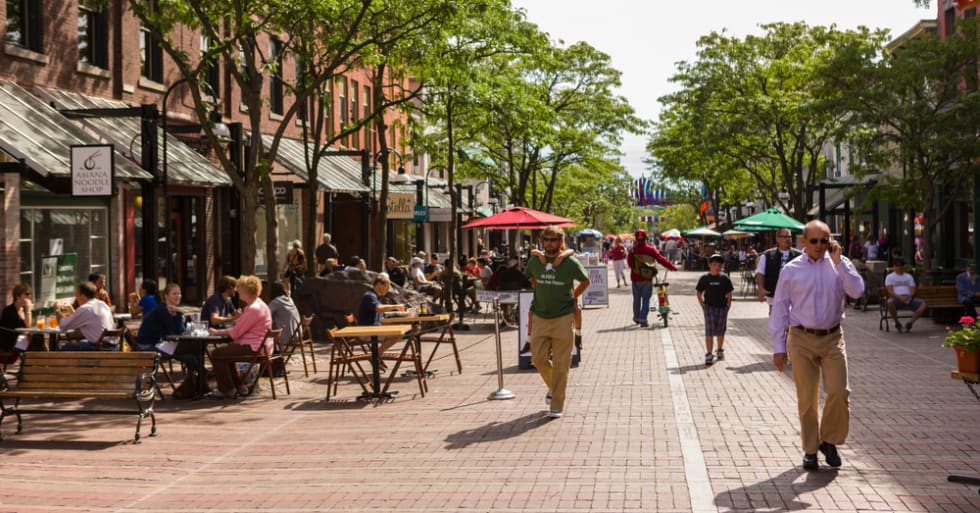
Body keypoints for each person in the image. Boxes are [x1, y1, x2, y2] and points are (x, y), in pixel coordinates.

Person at [770, 220, 864, 471]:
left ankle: (829, 439)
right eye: (814, 241)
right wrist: (778, 347)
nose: (820, 246)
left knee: (839, 392)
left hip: (833, 337)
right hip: (801, 339)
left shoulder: (838, 264)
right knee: (807, 398)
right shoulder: (791, 270)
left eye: (825, 240)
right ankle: (811, 450)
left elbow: (857, 291)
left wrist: (840, 262)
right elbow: (779, 308)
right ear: (804, 242)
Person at [524, 225, 590, 419]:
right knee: (538, 358)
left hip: (563, 317)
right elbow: (530, 277)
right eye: (547, 239)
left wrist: (573, 297)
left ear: (561, 242)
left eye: (554, 240)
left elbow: (585, 281)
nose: (550, 243)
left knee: (562, 363)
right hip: (540, 316)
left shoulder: (570, 262)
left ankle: (557, 404)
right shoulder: (535, 261)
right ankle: (554, 388)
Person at [208, 275, 273, 399]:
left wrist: (216, 332)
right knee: (226, 353)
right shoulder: (260, 304)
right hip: (260, 347)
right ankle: (238, 386)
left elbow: (236, 332)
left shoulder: (253, 309)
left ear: (247, 291)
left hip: (253, 349)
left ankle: (227, 389)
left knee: (216, 354)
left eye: (240, 288)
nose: (237, 290)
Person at [135, 283, 205, 396]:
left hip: (160, 343)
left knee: (192, 355)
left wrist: (178, 314)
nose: (178, 296)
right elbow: (178, 332)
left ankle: (195, 386)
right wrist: (178, 314)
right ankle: (199, 383)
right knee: (193, 350)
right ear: (166, 296)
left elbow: (179, 331)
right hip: (149, 346)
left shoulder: (169, 309)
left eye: (179, 293)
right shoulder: (162, 310)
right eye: (174, 294)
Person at [627, 229, 677, 327]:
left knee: (636, 299)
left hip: (635, 278)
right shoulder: (651, 249)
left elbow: (629, 264)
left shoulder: (632, 250)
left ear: (636, 239)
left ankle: (636, 317)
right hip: (647, 278)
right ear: (646, 238)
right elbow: (661, 259)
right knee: (646, 299)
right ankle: (643, 319)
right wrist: (671, 267)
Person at [696, 254, 734, 366]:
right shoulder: (704, 278)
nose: (717, 267)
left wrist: (728, 306)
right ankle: (708, 354)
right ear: (710, 265)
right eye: (714, 265)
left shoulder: (724, 278)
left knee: (720, 330)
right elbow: (699, 292)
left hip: (722, 307)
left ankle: (720, 349)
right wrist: (703, 305)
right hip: (709, 307)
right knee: (709, 330)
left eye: (719, 265)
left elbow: (729, 293)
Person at [56, 281, 115, 350]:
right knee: (81, 342)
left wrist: (58, 310)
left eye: (77, 295)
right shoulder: (102, 304)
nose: (76, 298)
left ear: (83, 296)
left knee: (61, 347)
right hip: (111, 345)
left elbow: (63, 326)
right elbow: (79, 318)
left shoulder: (85, 309)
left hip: (99, 347)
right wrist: (69, 309)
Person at [755, 228, 803, 312]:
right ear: (777, 238)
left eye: (789, 236)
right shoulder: (767, 255)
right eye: (784, 237)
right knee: (776, 319)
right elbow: (760, 272)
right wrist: (761, 288)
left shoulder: (799, 255)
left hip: (794, 295)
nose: (787, 239)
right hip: (774, 293)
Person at [357, 274, 406, 354]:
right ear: (379, 284)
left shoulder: (375, 296)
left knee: (398, 330)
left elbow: (381, 311)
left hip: (374, 328)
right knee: (397, 334)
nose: (387, 290)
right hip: (367, 331)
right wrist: (396, 306)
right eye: (386, 287)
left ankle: (377, 354)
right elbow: (379, 308)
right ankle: (375, 355)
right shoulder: (369, 296)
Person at [884, 257, 926, 333]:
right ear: (894, 267)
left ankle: (911, 323)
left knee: (923, 304)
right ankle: (896, 322)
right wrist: (899, 297)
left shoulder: (908, 277)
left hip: (908, 298)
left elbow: (913, 289)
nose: (900, 267)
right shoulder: (889, 277)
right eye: (898, 266)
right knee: (889, 302)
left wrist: (909, 296)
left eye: (901, 265)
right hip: (895, 298)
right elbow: (890, 291)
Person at [0, 283, 33, 362]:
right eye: (27, 294)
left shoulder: (23, 310)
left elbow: (27, 328)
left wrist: (28, 311)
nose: (29, 297)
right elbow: (26, 328)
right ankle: (28, 368)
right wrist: (28, 310)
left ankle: (35, 366)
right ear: (17, 297)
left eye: (30, 294)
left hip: (19, 341)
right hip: (8, 344)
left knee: (39, 338)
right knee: (35, 340)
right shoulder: (8, 311)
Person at [268, 281, 300, 351]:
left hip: (286, 337)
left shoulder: (276, 302)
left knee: (266, 330)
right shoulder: (290, 299)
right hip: (297, 335)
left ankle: (272, 353)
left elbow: (266, 314)